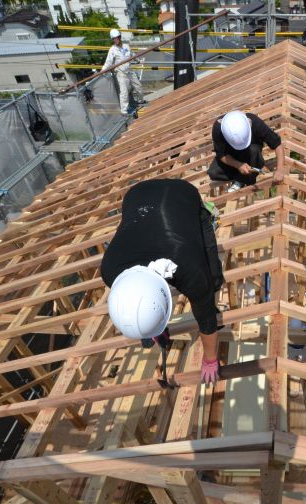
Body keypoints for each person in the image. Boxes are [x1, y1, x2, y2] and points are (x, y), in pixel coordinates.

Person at [101, 179, 224, 385]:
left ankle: (213, 280)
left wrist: (210, 358)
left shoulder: (187, 267)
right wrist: (153, 324)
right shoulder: (109, 271)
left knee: (211, 279)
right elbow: (136, 300)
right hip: (136, 196)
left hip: (181, 194)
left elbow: (206, 320)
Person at [207, 110, 286, 191]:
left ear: (249, 123)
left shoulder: (255, 123)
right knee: (213, 173)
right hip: (231, 156)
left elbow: (277, 144)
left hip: (251, 154)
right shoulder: (219, 128)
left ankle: (242, 179)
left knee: (254, 150)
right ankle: (243, 175)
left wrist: (280, 169)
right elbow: (221, 154)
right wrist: (238, 165)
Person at [102, 29, 144, 116]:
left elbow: (132, 55)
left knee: (138, 86)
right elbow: (108, 62)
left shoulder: (126, 46)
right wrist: (102, 72)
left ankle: (140, 101)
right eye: (113, 39)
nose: (115, 40)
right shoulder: (112, 50)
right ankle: (124, 111)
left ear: (120, 37)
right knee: (124, 92)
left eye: (116, 38)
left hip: (129, 70)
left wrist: (138, 60)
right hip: (121, 73)